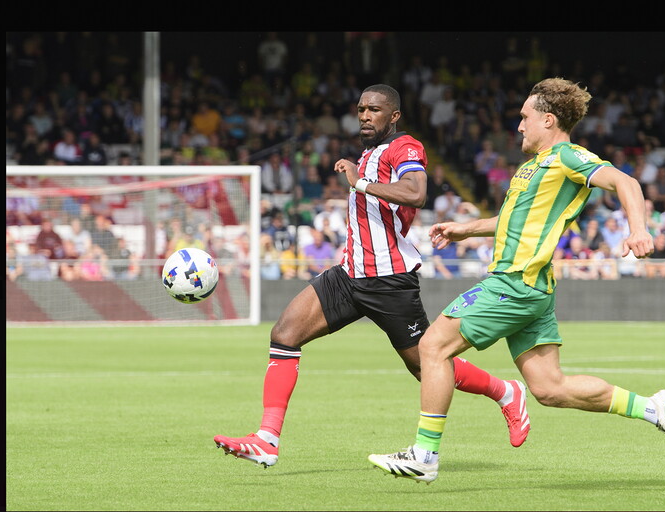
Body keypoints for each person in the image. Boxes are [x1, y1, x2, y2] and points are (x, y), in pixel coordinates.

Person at [367, 78, 665, 484]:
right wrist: (466, 229)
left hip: (513, 284)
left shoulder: (568, 157)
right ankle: (652, 407)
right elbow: (513, 221)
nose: (519, 126)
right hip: (534, 291)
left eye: (524, 118)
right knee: (550, 388)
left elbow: (625, 182)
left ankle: (425, 454)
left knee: (432, 347)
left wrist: (638, 229)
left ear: (548, 119)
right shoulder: (531, 168)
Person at [213, 84, 531, 469]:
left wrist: (358, 181)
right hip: (349, 275)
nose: (364, 115)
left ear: (393, 116)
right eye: (361, 108)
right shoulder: (368, 154)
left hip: (389, 279)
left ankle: (506, 392)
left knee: (425, 366)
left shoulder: (405, 147)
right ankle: (267, 439)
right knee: (284, 334)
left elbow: (416, 193)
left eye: (374, 110)